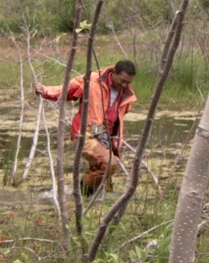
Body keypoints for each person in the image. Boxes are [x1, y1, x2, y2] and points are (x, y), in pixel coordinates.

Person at [34, 60, 137, 196]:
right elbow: (67, 90)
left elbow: (116, 121)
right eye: (122, 81)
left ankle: (82, 196)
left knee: (106, 175)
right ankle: (83, 195)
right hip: (85, 133)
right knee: (108, 164)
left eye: (128, 82)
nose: (124, 85)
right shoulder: (93, 80)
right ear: (114, 73)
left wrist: (115, 144)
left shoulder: (126, 94)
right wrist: (45, 90)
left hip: (106, 138)